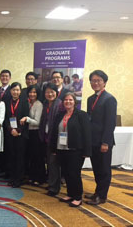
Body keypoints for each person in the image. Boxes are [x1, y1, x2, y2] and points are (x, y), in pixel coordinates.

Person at [50, 92, 91, 207]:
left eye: (70, 100)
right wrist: (53, 148)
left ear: (74, 102)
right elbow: (54, 132)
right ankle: (70, 194)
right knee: (66, 173)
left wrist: (87, 151)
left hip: (75, 150)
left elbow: (87, 134)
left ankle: (78, 197)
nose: (68, 102)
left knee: (74, 173)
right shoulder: (60, 115)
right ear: (63, 102)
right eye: (66, 100)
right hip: (61, 149)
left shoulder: (82, 115)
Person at [85, 70, 117, 205]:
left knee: (104, 169)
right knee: (96, 168)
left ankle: (102, 196)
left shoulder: (109, 99)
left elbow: (110, 123)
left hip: (103, 142)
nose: (95, 83)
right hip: (93, 140)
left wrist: (105, 142)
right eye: (93, 80)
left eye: (98, 80)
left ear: (104, 82)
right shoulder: (90, 99)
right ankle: (97, 192)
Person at [4, 82, 29, 188]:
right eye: (13, 90)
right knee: (11, 156)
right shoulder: (6, 102)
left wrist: (18, 130)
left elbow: (26, 118)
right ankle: (12, 177)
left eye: (18, 90)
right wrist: (10, 130)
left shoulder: (24, 102)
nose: (15, 92)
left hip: (21, 135)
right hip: (10, 134)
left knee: (20, 157)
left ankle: (18, 179)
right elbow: (4, 118)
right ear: (10, 91)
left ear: (20, 91)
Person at [39, 83, 62, 196]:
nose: (49, 94)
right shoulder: (45, 104)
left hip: (55, 139)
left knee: (54, 164)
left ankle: (54, 188)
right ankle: (52, 183)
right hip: (46, 137)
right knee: (49, 162)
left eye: (52, 92)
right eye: (47, 92)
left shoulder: (59, 105)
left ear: (56, 93)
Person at [21, 84, 45, 185]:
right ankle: (32, 176)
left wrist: (27, 119)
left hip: (35, 133)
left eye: (34, 92)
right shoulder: (27, 102)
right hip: (28, 132)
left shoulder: (38, 104)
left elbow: (37, 122)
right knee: (30, 156)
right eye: (30, 92)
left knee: (37, 157)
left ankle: (39, 178)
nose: (32, 94)